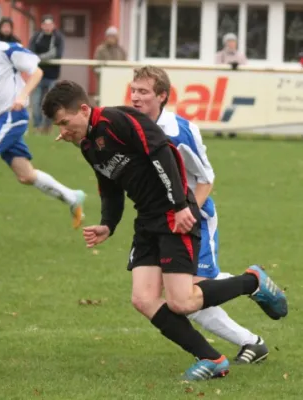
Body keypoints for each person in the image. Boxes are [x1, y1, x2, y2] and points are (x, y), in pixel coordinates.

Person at [42, 80, 288, 380]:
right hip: (147, 220)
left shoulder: (117, 120)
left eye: (66, 123)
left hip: (173, 215)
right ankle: (212, 359)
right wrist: (109, 223)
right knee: (143, 299)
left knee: (181, 302)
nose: (63, 131)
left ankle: (252, 282)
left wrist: (180, 205)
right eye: (58, 126)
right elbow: (109, 186)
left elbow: (163, 152)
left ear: (83, 109)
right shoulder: (88, 145)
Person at [130, 65, 268, 364]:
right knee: (184, 295)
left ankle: (252, 299)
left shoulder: (179, 131)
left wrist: (187, 212)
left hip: (195, 219)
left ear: (162, 96)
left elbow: (206, 178)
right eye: (133, 90)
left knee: (189, 295)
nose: (135, 97)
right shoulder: (131, 127)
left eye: (143, 92)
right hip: (159, 222)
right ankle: (251, 331)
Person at [0, 10, 85, 240]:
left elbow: (37, 72)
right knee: (25, 175)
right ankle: (72, 197)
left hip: (12, 116)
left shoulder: (8, 51)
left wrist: (22, 96)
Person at [29, 14, 64, 134]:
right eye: (46, 24)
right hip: (37, 75)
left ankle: (47, 127)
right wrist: (46, 56)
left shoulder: (58, 37)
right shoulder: (36, 37)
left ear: (53, 25)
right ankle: (37, 126)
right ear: (42, 25)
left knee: (50, 103)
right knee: (35, 103)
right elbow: (31, 52)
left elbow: (58, 53)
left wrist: (39, 58)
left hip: (52, 76)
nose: (48, 27)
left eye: (50, 24)